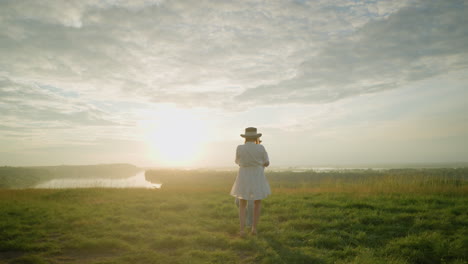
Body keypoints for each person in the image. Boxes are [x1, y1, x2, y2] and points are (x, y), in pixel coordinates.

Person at [230, 127, 271, 236]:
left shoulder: (240, 148)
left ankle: (242, 230)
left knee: (242, 203)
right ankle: (254, 229)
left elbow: (237, 161)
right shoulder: (261, 147)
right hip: (257, 175)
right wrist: (259, 164)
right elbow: (267, 162)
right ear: (256, 137)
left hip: (244, 175)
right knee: (257, 202)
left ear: (246, 137)